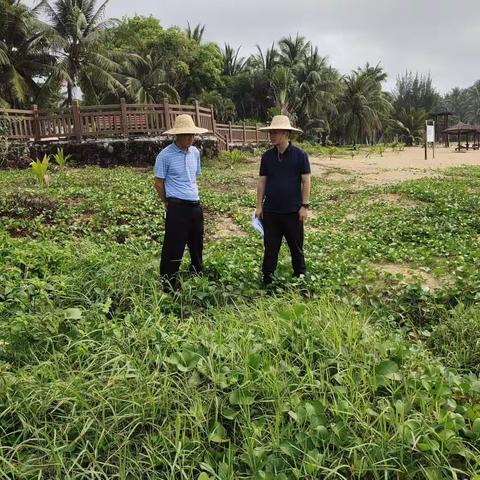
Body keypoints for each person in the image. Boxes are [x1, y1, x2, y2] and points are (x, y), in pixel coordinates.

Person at [154, 114, 209, 289]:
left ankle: (197, 272)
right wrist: (167, 202)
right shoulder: (165, 155)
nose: (190, 138)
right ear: (176, 135)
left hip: (195, 205)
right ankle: (169, 281)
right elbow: (158, 183)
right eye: (186, 135)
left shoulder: (195, 153)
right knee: (173, 245)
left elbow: (193, 178)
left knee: (197, 242)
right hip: (176, 206)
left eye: (192, 135)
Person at [255, 115, 311, 285]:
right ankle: (267, 278)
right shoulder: (267, 157)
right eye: (271, 132)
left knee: (296, 248)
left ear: (286, 133)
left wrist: (304, 206)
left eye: (276, 132)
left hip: (293, 212)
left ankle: (300, 276)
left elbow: (306, 181)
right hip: (271, 211)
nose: (272, 135)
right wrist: (259, 206)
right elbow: (262, 181)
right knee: (270, 248)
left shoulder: (300, 155)